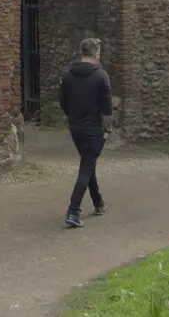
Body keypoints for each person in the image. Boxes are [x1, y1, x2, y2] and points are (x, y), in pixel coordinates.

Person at [58, 36, 112, 228]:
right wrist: (107, 129)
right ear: (97, 54)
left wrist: (73, 116)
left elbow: (63, 102)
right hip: (93, 129)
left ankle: (98, 202)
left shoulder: (67, 75)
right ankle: (73, 210)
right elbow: (107, 107)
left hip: (76, 127)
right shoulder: (101, 76)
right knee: (87, 167)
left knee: (88, 165)